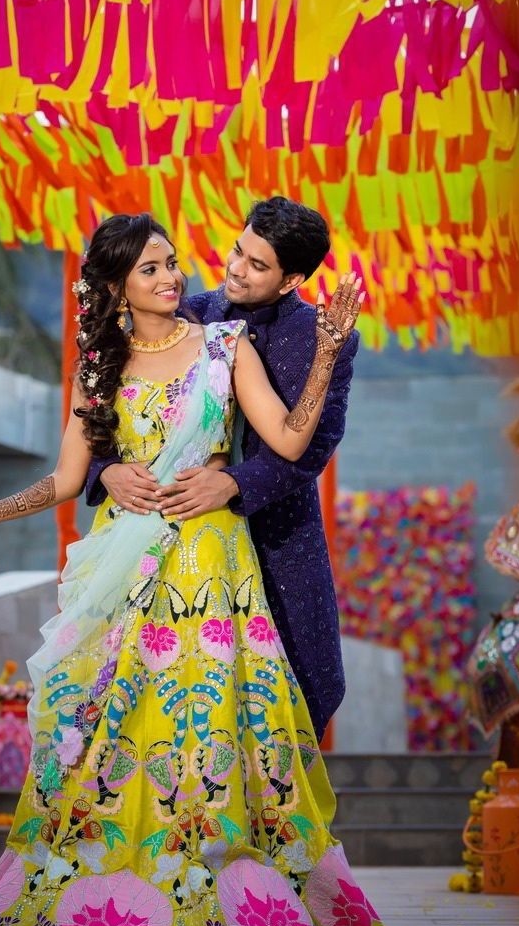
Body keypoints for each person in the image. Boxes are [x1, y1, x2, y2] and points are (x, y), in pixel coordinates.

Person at [0, 213, 384, 926]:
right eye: (153, 269)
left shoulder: (226, 344)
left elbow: (294, 441)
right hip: (128, 570)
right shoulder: (100, 365)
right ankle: (107, 875)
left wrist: (326, 350)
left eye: (172, 263)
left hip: (215, 571)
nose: (177, 277)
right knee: (103, 721)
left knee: (218, 726)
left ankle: (220, 876)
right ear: (117, 287)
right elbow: (67, 480)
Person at [85, 196, 357, 742]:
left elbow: (315, 443)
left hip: (278, 538)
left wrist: (233, 483)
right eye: (238, 250)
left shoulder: (323, 338)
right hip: (173, 543)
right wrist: (106, 470)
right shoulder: (190, 313)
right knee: (166, 700)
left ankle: (275, 823)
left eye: (257, 265)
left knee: (300, 693)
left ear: (291, 280)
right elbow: (115, 401)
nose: (235, 268)